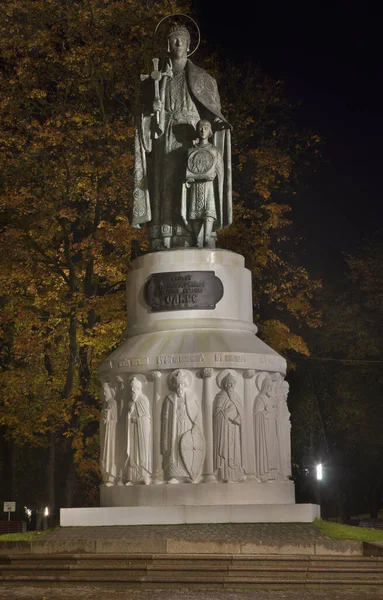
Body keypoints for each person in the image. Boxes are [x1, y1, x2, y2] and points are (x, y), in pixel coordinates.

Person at [132, 23, 232, 250]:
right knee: (166, 184)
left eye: (182, 39)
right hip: (165, 136)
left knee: (193, 184)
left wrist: (215, 124)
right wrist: (151, 109)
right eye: (174, 39)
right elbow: (144, 115)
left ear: (189, 45)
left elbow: (212, 111)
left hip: (192, 136)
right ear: (168, 44)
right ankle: (165, 234)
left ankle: (195, 233)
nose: (178, 43)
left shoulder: (203, 78)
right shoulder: (156, 80)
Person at [182, 119, 223, 247]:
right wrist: (188, 179)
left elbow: (220, 171)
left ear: (210, 131)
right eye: (200, 127)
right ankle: (198, 242)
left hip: (209, 187)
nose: (202, 130)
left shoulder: (214, 151)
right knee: (195, 216)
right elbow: (186, 170)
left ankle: (207, 238)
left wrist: (214, 176)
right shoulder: (191, 151)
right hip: (194, 187)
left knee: (208, 214)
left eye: (206, 127)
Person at [161, 369, 204, 483]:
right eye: (178, 384)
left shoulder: (191, 397)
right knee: (174, 449)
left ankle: (189, 474)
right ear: (174, 385)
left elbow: (198, 413)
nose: (180, 387)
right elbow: (165, 417)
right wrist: (165, 437)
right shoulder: (170, 398)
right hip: (173, 429)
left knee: (188, 448)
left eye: (182, 384)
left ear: (186, 385)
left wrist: (196, 425)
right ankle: (174, 476)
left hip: (188, 428)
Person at [213, 372, 245, 482]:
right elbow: (217, 412)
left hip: (234, 428)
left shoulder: (237, 397)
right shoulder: (220, 396)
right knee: (226, 450)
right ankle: (225, 476)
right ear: (225, 385)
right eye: (229, 384)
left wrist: (238, 418)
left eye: (233, 383)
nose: (231, 386)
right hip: (224, 429)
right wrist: (227, 415)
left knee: (235, 450)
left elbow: (242, 413)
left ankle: (236, 475)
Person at [125, 378, 152, 485]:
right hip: (132, 431)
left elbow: (146, 417)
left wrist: (138, 420)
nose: (132, 390)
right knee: (133, 452)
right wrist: (128, 414)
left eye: (134, 388)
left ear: (138, 389)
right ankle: (132, 478)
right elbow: (127, 417)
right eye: (131, 389)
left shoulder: (143, 400)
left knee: (142, 452)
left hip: (141, 431)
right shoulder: (130, 403)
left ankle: (144, 476)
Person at [253, 375, 279, 481]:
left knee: (272, 450)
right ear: (263, 386)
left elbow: (274, 413)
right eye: (268, 386)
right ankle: (264, 472)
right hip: (264, 430)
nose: (270, 388)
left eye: (271, 387)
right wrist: (265, 411)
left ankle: (273, 472)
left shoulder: (271, 399)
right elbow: (256, 415)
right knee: (265, 449)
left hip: (271, 428)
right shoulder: (259, 398)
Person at [100, 382, 117, 486]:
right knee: (105, 454)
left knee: (109, 453)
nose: (104, 394)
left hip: (110, 434)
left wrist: (108, 421)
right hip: (105, 433)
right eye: (103, 392)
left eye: (106, 391)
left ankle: (111, 476)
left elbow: (114, 419)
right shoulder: (105, 405)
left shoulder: (112, 403)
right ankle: (107, 477)